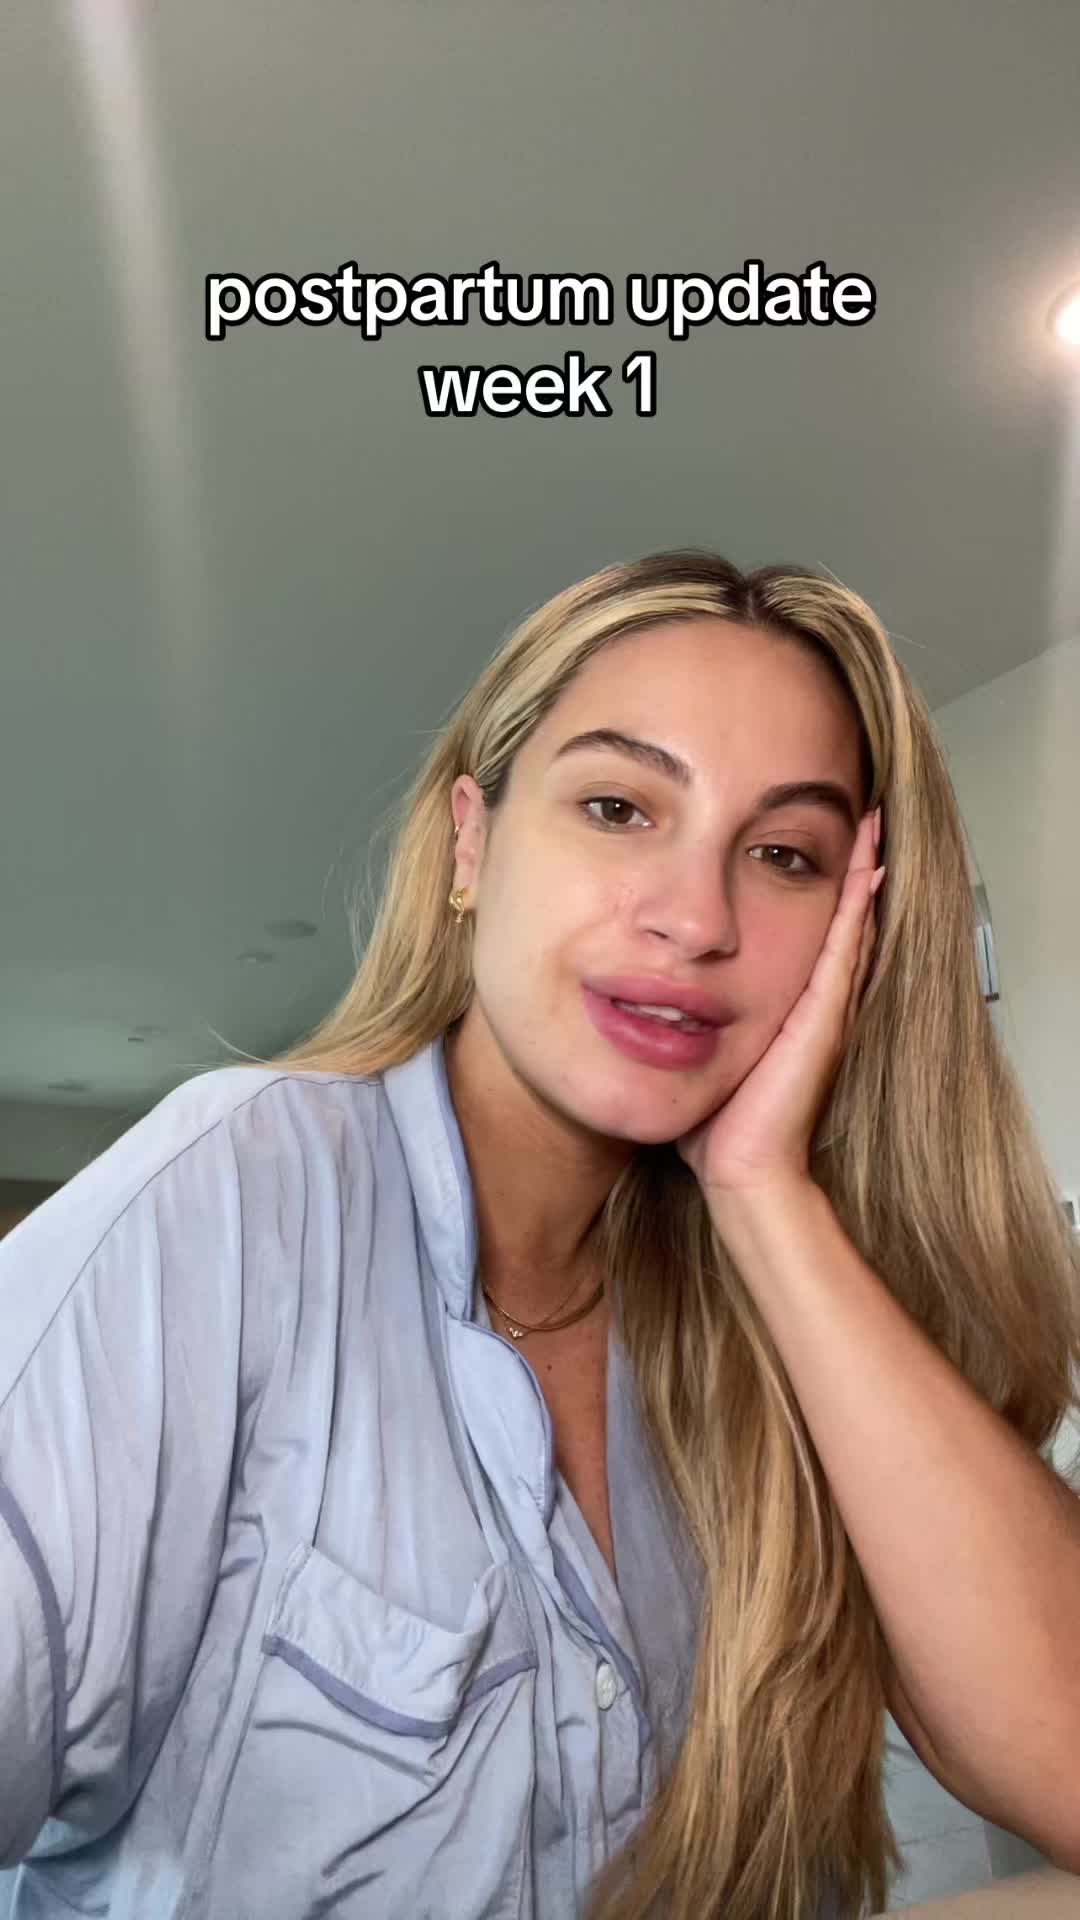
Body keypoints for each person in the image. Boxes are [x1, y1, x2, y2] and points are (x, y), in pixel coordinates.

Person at [1, 548, 1079, 1920]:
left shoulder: (762, 1320)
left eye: (784, 856)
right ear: (472, 843)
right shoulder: (245, 1190)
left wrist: (765, 1195)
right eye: (619, 807)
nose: (694, 919)